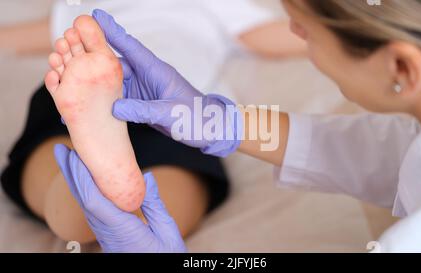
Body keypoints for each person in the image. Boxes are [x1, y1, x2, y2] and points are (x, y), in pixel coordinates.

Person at [39, 0, 421, 252]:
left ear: (401, 67)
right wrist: (219, 121)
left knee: (76, 194)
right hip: (135, 108)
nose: (294, 34)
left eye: (306, 33)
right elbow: (383, 152)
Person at [0, 0, 306, 244]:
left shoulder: (88, 8)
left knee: (60, 178)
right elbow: (283, 36)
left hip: (106, 99)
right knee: (170, 200)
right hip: (171, 113)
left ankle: (88, 191)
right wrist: (342, 28)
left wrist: (335, 25)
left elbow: (16, 36)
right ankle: (115, 199)